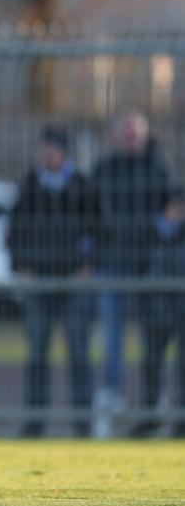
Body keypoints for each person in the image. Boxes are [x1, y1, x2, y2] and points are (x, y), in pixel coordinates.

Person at [6, 126, 99, 437]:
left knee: (79, 352)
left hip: (74, 282)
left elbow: (102, 231)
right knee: (37, 354)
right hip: (39, 284)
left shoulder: (83, 186)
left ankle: (83, 421)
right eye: (42, 149)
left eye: (51, 150)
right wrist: (22, 267)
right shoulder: (29, 186)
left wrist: (89, 266)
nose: (45, 155)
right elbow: (14, 233)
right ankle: (34, 422)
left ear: (63, 152)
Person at [92, 112, 172, 437]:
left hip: (148, 267)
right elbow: (92, 213)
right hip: (112, 263)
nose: (130, 139)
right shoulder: (105, 169)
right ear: (116, 137)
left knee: (154, 338)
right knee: (112, 335)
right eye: (125, 133)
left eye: (134, 134)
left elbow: (170, 214)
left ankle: (154, 399)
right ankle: (113, 395)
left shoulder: (158, 169)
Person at [133, 187, 185, 438]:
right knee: (151, 362)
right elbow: (139, 267)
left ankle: (181, 419)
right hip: (155, 307)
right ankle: (149, 416)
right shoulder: (150, 232)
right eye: (176, 206)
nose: (179, 212)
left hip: (181, 308)